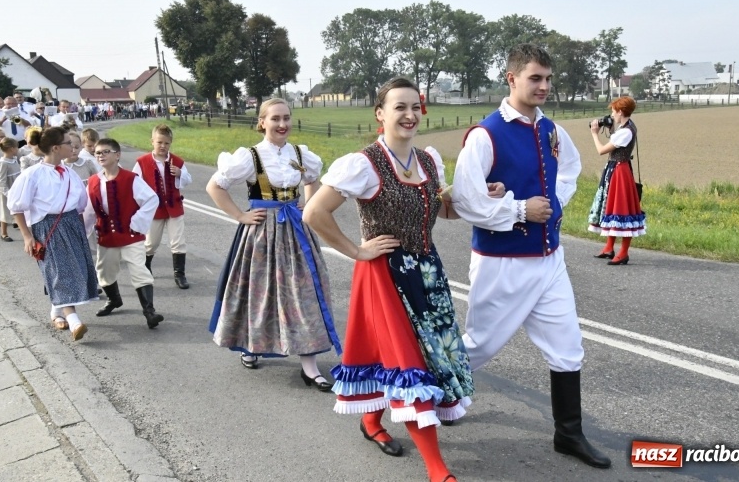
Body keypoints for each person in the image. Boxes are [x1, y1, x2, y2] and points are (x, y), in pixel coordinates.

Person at [304, 78, 483, 482]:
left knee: (406, 357)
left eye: (415, 106)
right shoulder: (364, 164)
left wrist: (477, 196)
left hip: (426, 272)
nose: (409, 114)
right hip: (385, 275)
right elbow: (314, 213)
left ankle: (371, 421)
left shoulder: (429, 160)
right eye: (399, 107)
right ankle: (437, 470)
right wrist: (358, 250)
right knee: (409, 361)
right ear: (380, 114)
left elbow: (442, 213)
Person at [451, 44, 612, 469]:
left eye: (547, 78)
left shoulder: (552, 130)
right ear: (512, 79)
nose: (543, 86)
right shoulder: (486, 135)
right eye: (535, 78)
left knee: (568, 347)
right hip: (502, 262)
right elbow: (466, 200)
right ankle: (439, 395)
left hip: (549, 259)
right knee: (479, 345)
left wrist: (553, 205)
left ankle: (568, 433)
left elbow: (571, 170)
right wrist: (521, 209)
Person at [206, 97, 341, 386]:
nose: (282, 124)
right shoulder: (250, 156)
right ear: (262, 122)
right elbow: (215, 186)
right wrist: (241, 216)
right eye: (275, 118)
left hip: (295, 230)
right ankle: (253, 346)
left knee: (304, 292)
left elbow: (312, 180)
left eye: (286, 118)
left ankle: (310, 365)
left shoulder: (300, 154)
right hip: (261, 234)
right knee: (259, 292)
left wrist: (308, 205)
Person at [7, 127, 99, 340]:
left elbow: (81, 204)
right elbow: (16, 207)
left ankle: (57, 310)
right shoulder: (33, 174)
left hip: (71, 224)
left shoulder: (69, 172)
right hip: (48, 227)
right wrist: (27, 236)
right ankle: (74, 321)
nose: (73, 146)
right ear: (57, 148)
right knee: (61, 271)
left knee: (73, 270)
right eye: (68, 142)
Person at [83, 138, 163, 328]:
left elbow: (152, 199)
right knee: (104, 272)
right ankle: (114, 300)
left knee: (139, 270)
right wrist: (83, 233)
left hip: (130, 236)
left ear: (117, 155)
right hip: (106, 236)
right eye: (97, 153)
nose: (100, 155)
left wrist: (136, 223)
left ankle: (149, 312)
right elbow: (88, 210)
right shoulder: (93, 181)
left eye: (105, 152)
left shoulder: (131, 179)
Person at [132, 124, 192, 289]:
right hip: (154, 209)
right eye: (159, 142)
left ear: (170, 143)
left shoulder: (177, 161)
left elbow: (188, 180)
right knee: (151, 243)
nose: (163, 146)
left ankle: (180, 274)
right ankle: (145, 269)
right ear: (152, 141)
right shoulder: (142, 162)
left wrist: (180, 174)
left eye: (166, 143)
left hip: (174, 207)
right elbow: (134, 184)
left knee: (178, 242)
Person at [587, 97, 646, 264]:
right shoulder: (626, 127)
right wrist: (611, 128)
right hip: (616, 170)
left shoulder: (625, 132)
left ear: (620, 112)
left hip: (620, 172)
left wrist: (594, 134)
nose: (611, 115)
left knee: (622, 209)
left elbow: (601, 150)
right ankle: (609, 247)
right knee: (611, 206)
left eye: (613, 111)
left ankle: (624, 252)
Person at [0, 137, 21, 242]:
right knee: (5, 211)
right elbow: (1, 180)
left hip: (16, 188)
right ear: (11, 149)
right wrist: (7, 193)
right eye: (16, 147)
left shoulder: (14, 159)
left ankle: (19, 224)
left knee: (18, 209)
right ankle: (4, 233)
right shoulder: (3, 163)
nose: (18, 150)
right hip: (8, 190)